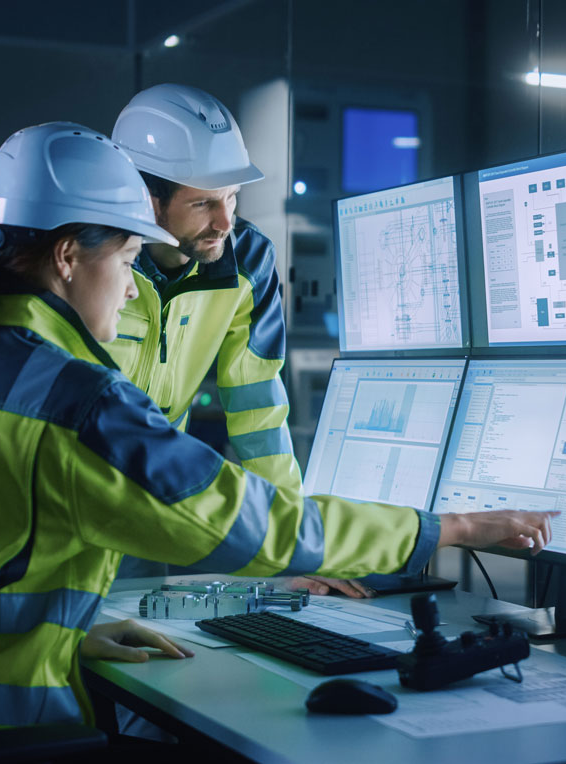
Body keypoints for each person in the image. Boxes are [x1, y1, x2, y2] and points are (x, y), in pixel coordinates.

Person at [0, 122, 556, 764]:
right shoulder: (73, 404)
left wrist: (65, 637)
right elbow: (247, 521)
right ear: (72, 256)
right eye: (126, 257)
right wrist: (445, 528)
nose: (130, 285)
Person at [110, 84, 368, 595]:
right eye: (204, 202)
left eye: (232, 197)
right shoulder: (95, 258)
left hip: (144, 510)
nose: (225, 222)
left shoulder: (248, 261)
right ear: (144, 197)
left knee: (127, 647)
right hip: (61, 497)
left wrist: (294, 547)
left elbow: (258, 412)